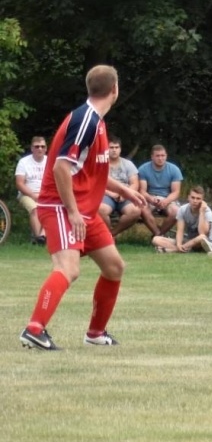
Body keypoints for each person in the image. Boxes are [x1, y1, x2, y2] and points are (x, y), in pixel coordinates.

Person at [19, 65, 147, 350]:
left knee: (114, 267)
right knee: (68, 268)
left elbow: (89, 171)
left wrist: (124, 189)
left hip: (83, 209)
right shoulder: (85, 121)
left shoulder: (97, 122)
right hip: (60, 206)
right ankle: (34, 329)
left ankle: (95, 333)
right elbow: (61, 168)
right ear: (115, 90)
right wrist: (73, 212)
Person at [135, 145, 184, 237]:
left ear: (166, 156)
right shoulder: (143, 169)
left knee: (176, 212)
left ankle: (158, 236)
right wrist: (151, 199)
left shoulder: (174, 169)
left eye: (163, 155)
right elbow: (142, 191)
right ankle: (158, 235)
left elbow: (176, 192)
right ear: (152, 157)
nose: (160, 158)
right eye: (157, 156)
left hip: (167, 198)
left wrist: (166, 201)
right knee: (143, 210)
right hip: (149, 197)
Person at [152, 185, 212, 252]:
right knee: (156, 239)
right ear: (188, 197)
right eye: (193, 198)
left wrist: (202, 212)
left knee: (202, 237)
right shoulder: (182, 209)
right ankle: (180, 249)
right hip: (189, 241)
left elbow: (202, 233)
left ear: (202, 200)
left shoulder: (207, 212)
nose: (195, 201)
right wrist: (179, 244)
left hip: (203, 243)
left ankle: (175, 250)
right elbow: (180, 231)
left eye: (198, 198)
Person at [100, 136, 140, 235]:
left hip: (126, 194)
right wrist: (111, 194)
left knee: (135, 211)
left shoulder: (128, 164)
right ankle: (107, 235)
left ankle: (112, 234)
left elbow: (135, 183)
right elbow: (96, 184)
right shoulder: (100, 164)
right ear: (106, 149)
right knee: (100, 210)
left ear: (120, 149)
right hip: (106, 194)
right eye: (111, 147)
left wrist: (125, 193)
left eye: (116, 147)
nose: (114, 150)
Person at [14, 134, 48, 243]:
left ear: (46, 149)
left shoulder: (50, 161)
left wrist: (44, 195)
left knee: (53, 208)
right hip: (27, 194)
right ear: (32, 148)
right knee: (35, 208)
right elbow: (19, 184)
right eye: (37, 146)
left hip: (46, 194)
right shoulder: (23, 162)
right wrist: (34, 196)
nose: (40, 149)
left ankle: (42, 236)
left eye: (42, 146)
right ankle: (39, 238)